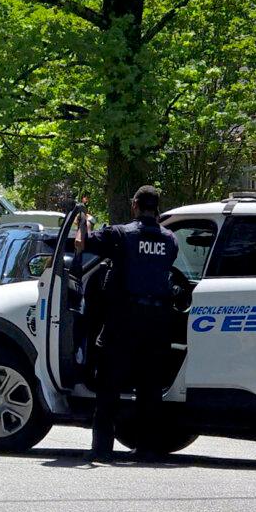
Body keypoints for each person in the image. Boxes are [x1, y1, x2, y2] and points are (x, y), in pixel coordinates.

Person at [74, 185, 178, 462]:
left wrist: (82, 222)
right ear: (157, 207)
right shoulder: (171, 240)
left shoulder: (120, 235)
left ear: (134, 205)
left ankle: (102, 449)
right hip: (158, 322)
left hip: (124, 321)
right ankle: (147, 449)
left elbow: (82, 243)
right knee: (150, 388)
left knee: (109, 386)